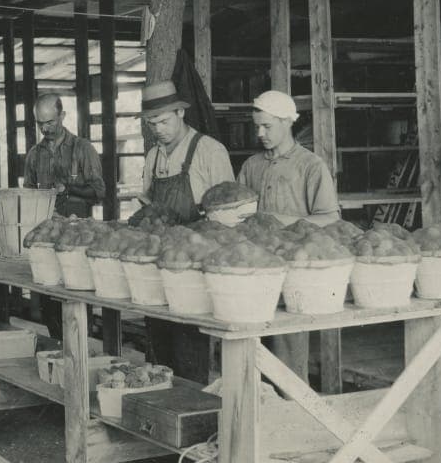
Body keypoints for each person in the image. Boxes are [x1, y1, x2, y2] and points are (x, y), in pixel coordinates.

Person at [237, 89, 341, 382]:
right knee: (249, 348)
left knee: (288, 351)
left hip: (294, 270)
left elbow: (330, 218)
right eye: (256, 126)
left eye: (267, 126)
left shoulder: (310, 166)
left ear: (287, 122)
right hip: (254, 268)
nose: (260, 133)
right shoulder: (251, 166)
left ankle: (292, 415)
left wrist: (282, 220)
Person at [137, 80, 235, 382]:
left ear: (181, 112)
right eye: (152, 123)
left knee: (190, 346)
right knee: (159, 344)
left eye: (164, 121)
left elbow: (230, 215)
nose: (158, 129)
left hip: (196, 264)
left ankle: (195, 410)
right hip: (161, 262)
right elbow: (148, 201)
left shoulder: (209, 151)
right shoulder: (153, 156)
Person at [22, 93, 106, 339]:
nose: (45, 128)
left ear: (63, 116)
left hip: (78, 239)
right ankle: (59, 350)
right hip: (47, 238)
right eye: (40, 123)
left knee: (77, 303)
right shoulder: (34, 155)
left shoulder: (83, 149)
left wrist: (68, 188)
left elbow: (99, 192)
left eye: (50, 122)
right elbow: (28, 195)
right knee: (49, 303)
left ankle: (80, 351)